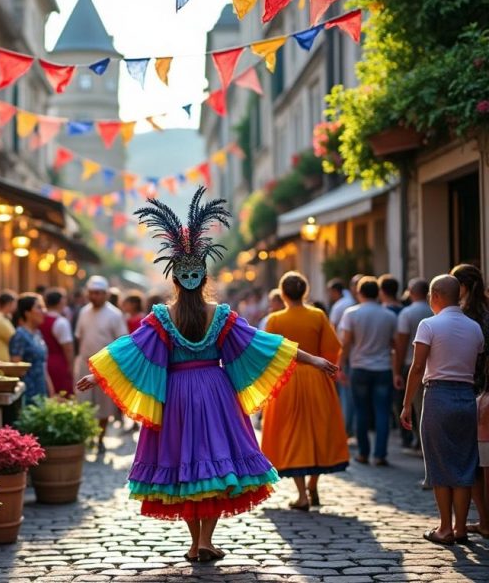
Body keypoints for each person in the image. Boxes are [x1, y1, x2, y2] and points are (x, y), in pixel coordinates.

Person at [77, 188, 337, 562]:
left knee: (185, 468)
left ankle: (193, 542)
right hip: (216, 393)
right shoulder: (220, 315)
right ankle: (206, 541)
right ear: (203, 279)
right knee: (217, 464)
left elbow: (130, 349)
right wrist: (313, 359)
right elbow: (264, 344)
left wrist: (98, 376)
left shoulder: (163, 317)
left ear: (176, 280)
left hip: (176, 396)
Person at [400, 275, 484, 546]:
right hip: (467, 396)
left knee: (439, 464)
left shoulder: (429, 325)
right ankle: (460, 528)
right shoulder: (474, 327)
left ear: (435, 296)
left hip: (438, 395)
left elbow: (417, 367)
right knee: (464, 464)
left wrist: (406, 404)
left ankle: (445, 527)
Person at [261, 272, 349, 511]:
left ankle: (301, 494)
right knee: (319, 430)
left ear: (283, 293)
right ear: (305, 291)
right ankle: (313, 483)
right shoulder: (318, 315)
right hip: (316, 378)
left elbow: (269, 353)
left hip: (286, 380)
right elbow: (332, 349)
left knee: (292, 433)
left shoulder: (275, 319)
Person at [339, 276, 398, 466]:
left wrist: (340, 365)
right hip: (383, 368)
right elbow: (394, 345)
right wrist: (396, 370)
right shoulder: (389, 315)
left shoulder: (351, 313)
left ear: (359, 292)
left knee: (361, 411)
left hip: (360, 367)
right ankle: (380, 454)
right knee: (382, 411)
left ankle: (363, 453)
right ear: (378, 293)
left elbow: (346, 343)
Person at [450, 264, 489, 538]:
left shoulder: (462, 317)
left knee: (471, 461)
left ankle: (484, 520)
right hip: (483, 389)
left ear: (461, 287)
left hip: (470, 390)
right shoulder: (486, 313)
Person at [74, 275, 127, 450]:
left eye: (98, 293)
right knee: (84, 402)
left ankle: (101, 438)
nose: (94, 296)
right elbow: (79, 337)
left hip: (106, 366)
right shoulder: (83, 312)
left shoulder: (115, 314)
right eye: (92, 293)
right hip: (85, 363)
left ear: (105, 294)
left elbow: (122, 342)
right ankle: (88, 436)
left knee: (105, 405)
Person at [394, 278, 433, 453]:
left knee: (415, 407)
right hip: (432, 365)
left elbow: (401, 344)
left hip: (412, 363)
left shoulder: (407, 313)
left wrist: (397, 370)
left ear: (411, 292)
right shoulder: (433, 311)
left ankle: (420, 444)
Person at [329, 278, 358, 438]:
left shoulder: (340, 306)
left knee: (346, 393)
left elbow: (333, 331)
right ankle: (352, 427)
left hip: (346, 353)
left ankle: (346, 428)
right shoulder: (352, 302)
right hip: (356, 354)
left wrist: (338, 357)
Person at [10, 293, 52, 401]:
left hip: (41, 390)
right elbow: (16, 369)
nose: (44, 311)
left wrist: (51, 391)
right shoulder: (20, 335)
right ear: (27, 313)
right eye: (39, 307)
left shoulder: (37, 334)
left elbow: (43, 366)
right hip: (27, 393)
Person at [41, 288, 75, 396]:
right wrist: (71, 366)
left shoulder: (40, 319)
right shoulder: (61, 322)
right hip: (58, 363)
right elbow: (68, 348)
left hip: (43, 362)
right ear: (61, 302)